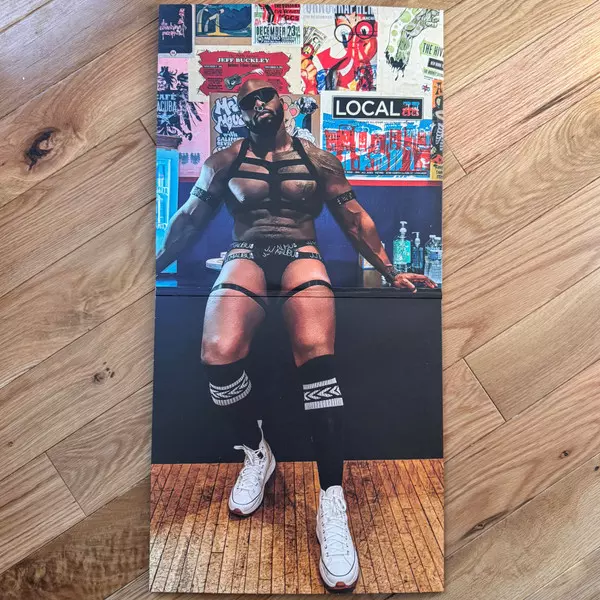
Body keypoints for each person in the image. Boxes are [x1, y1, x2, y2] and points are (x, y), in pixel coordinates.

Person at [156, 78, 436, 591]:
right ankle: (255, 451)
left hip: (300, 256)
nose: (257, 106)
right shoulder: (224, 162)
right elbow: (189, 220)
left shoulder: (317, 160)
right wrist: (150, 266)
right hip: (246, 254)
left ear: (282, 101)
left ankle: (332, 500)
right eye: (247, 103)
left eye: (264, 96)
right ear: (241, 113)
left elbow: (354, 220)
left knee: (315, 351)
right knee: (218, 350)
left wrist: (391, 270)